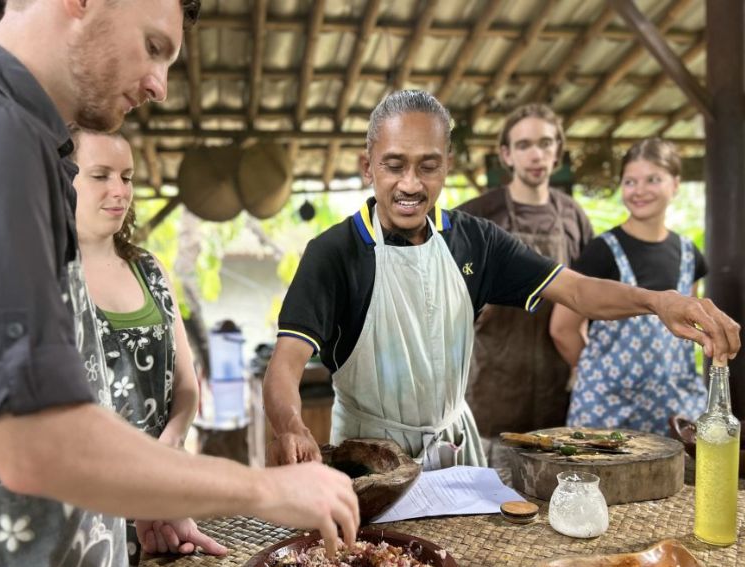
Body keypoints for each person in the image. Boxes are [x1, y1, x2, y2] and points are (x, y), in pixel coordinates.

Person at [0, 1, 358, 567]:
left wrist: (148, 490)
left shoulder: (30, 145)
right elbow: (37, 443)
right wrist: (267, 490)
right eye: (154, 47)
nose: (160, 87)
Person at [262, 90, 740, 473]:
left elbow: (575, 290)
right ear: (368, 167)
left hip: (455, 453)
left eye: (428, 165)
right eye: (394, 165)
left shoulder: (476, 242)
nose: (411, 184)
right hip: (366, 462)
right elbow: (285, 364)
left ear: (446, 165)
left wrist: (660, 301)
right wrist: (290, 425)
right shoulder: (333, 254)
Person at [71, 127, 227, 567]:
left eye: (127, 177)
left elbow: (185, 382)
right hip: (86, 513)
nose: (119, 191)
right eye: (100, 175)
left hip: (161, 508)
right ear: (63, 181)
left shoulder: (150, 270)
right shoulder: (48, 282)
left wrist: (170, 446)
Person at [550, 139, 708, 435]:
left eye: (653, 179)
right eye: (630, 181)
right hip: (608, 410)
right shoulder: (601, 251)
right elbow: (563, 328)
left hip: (674, 409)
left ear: (675, 184)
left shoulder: (690, 254)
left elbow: (691, 332)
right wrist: (601, 376)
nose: (639, 190)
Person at [457, 104, 593, 441]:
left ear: (557, 151)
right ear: (506, 155)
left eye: (545, 143)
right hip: (490, 387)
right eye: (524, 145)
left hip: (557, 390)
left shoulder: (573, 218)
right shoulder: (477, 216)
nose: (536, 154)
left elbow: (588, 301)